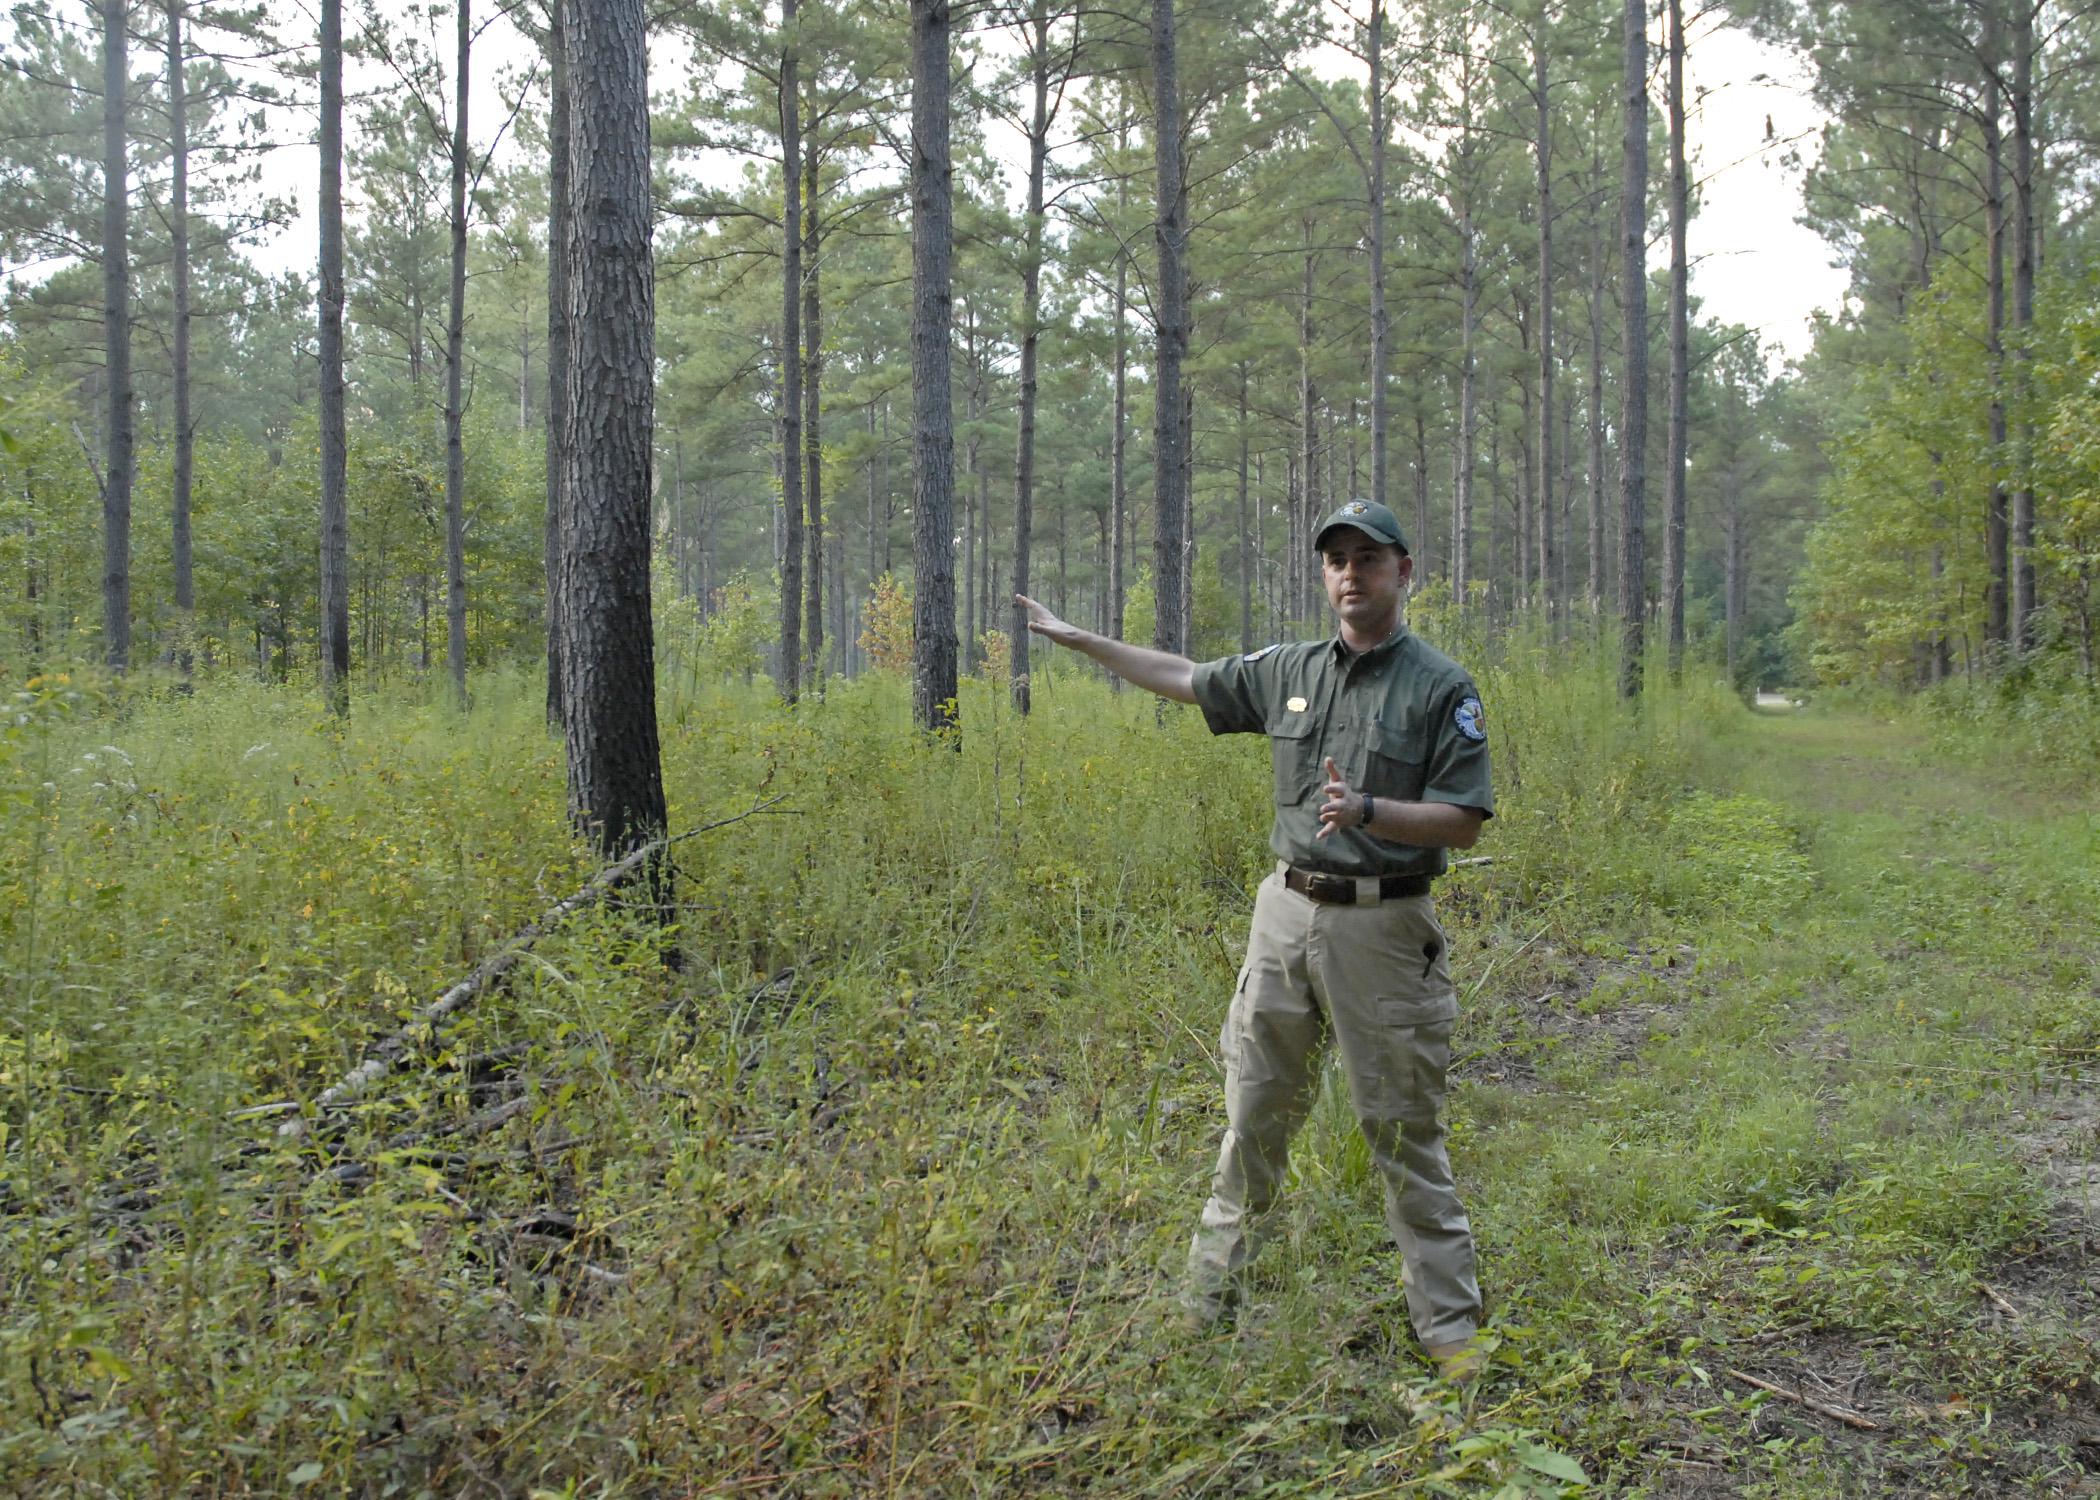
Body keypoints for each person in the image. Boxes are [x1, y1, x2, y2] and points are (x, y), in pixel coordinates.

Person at [1015, 498, 1493, 1375]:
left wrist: (1372, 809)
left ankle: (1450, 1332)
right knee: (1254, 1116)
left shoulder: (1440, 686)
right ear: (1325, 575)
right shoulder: (1290, 669)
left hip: (1384, 928)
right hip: (1284, 915)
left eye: (1369, 558)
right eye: (1336, 559)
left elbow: (1465, 821)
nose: (1351, 573)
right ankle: (1208, 1304)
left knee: (1400, 1129)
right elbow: (1185, 677)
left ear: (1403, 573)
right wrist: (1085, 643)